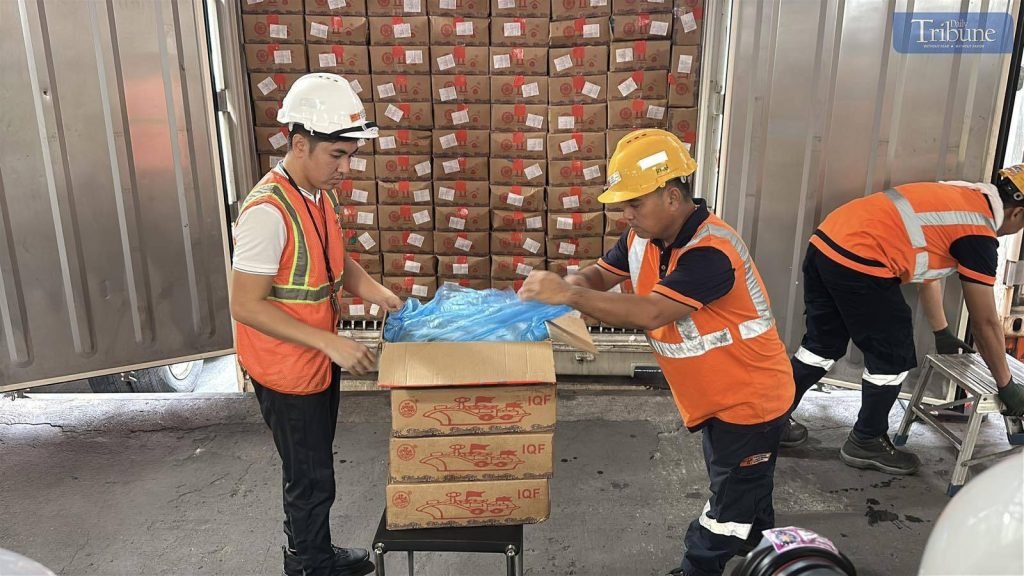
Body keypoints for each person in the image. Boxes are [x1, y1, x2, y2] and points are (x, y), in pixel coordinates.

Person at [519, 129, 795, 576]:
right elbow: (600, 275)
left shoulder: (711, 252)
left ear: (671, 196)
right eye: (622, 205)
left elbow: (651, 311)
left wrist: (568, 298)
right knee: (744, 490)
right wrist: (569, 287)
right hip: (714, 401)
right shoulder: (641, 239)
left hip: (750, 401)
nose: (624, 215)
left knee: (726, 510)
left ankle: (698, 568)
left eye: (634, 204)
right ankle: (774, 559)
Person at [229, 73, 401, 576]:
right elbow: (246, 305)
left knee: (312, 468)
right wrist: (330, 341)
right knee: (310, 478)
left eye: (350, 155)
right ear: (299, 143)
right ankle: (310, 566)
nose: (345, 168)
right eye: (337, 156)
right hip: (286, 370)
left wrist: (377, 292)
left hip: (315, 362)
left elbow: (335, 262)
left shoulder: (317, 196)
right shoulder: (267, 212)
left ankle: (309, 553)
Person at [782, 169, 1024, 474]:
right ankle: (866, 440)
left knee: (821, 346)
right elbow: (986, 322)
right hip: (861, 260)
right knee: (892, 355)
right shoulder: (978, 232)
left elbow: (927, 271)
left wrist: (942, 332)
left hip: (826, 244)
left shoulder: (964, 198)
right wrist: (1007, 386)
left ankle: (770, 419)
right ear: (1016, 212)